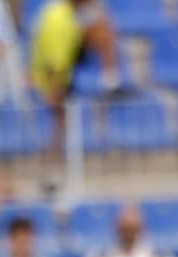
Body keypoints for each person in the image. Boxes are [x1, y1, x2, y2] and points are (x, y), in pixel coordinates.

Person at [29, 0, 122, 155]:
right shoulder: (59, 18)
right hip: (48, 79)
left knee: (103, 29)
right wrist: (54, 89)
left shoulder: (66, 13)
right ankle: (53, 153)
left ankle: (110, 81)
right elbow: (55, 61)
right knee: (103, 31)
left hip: (61, 72)